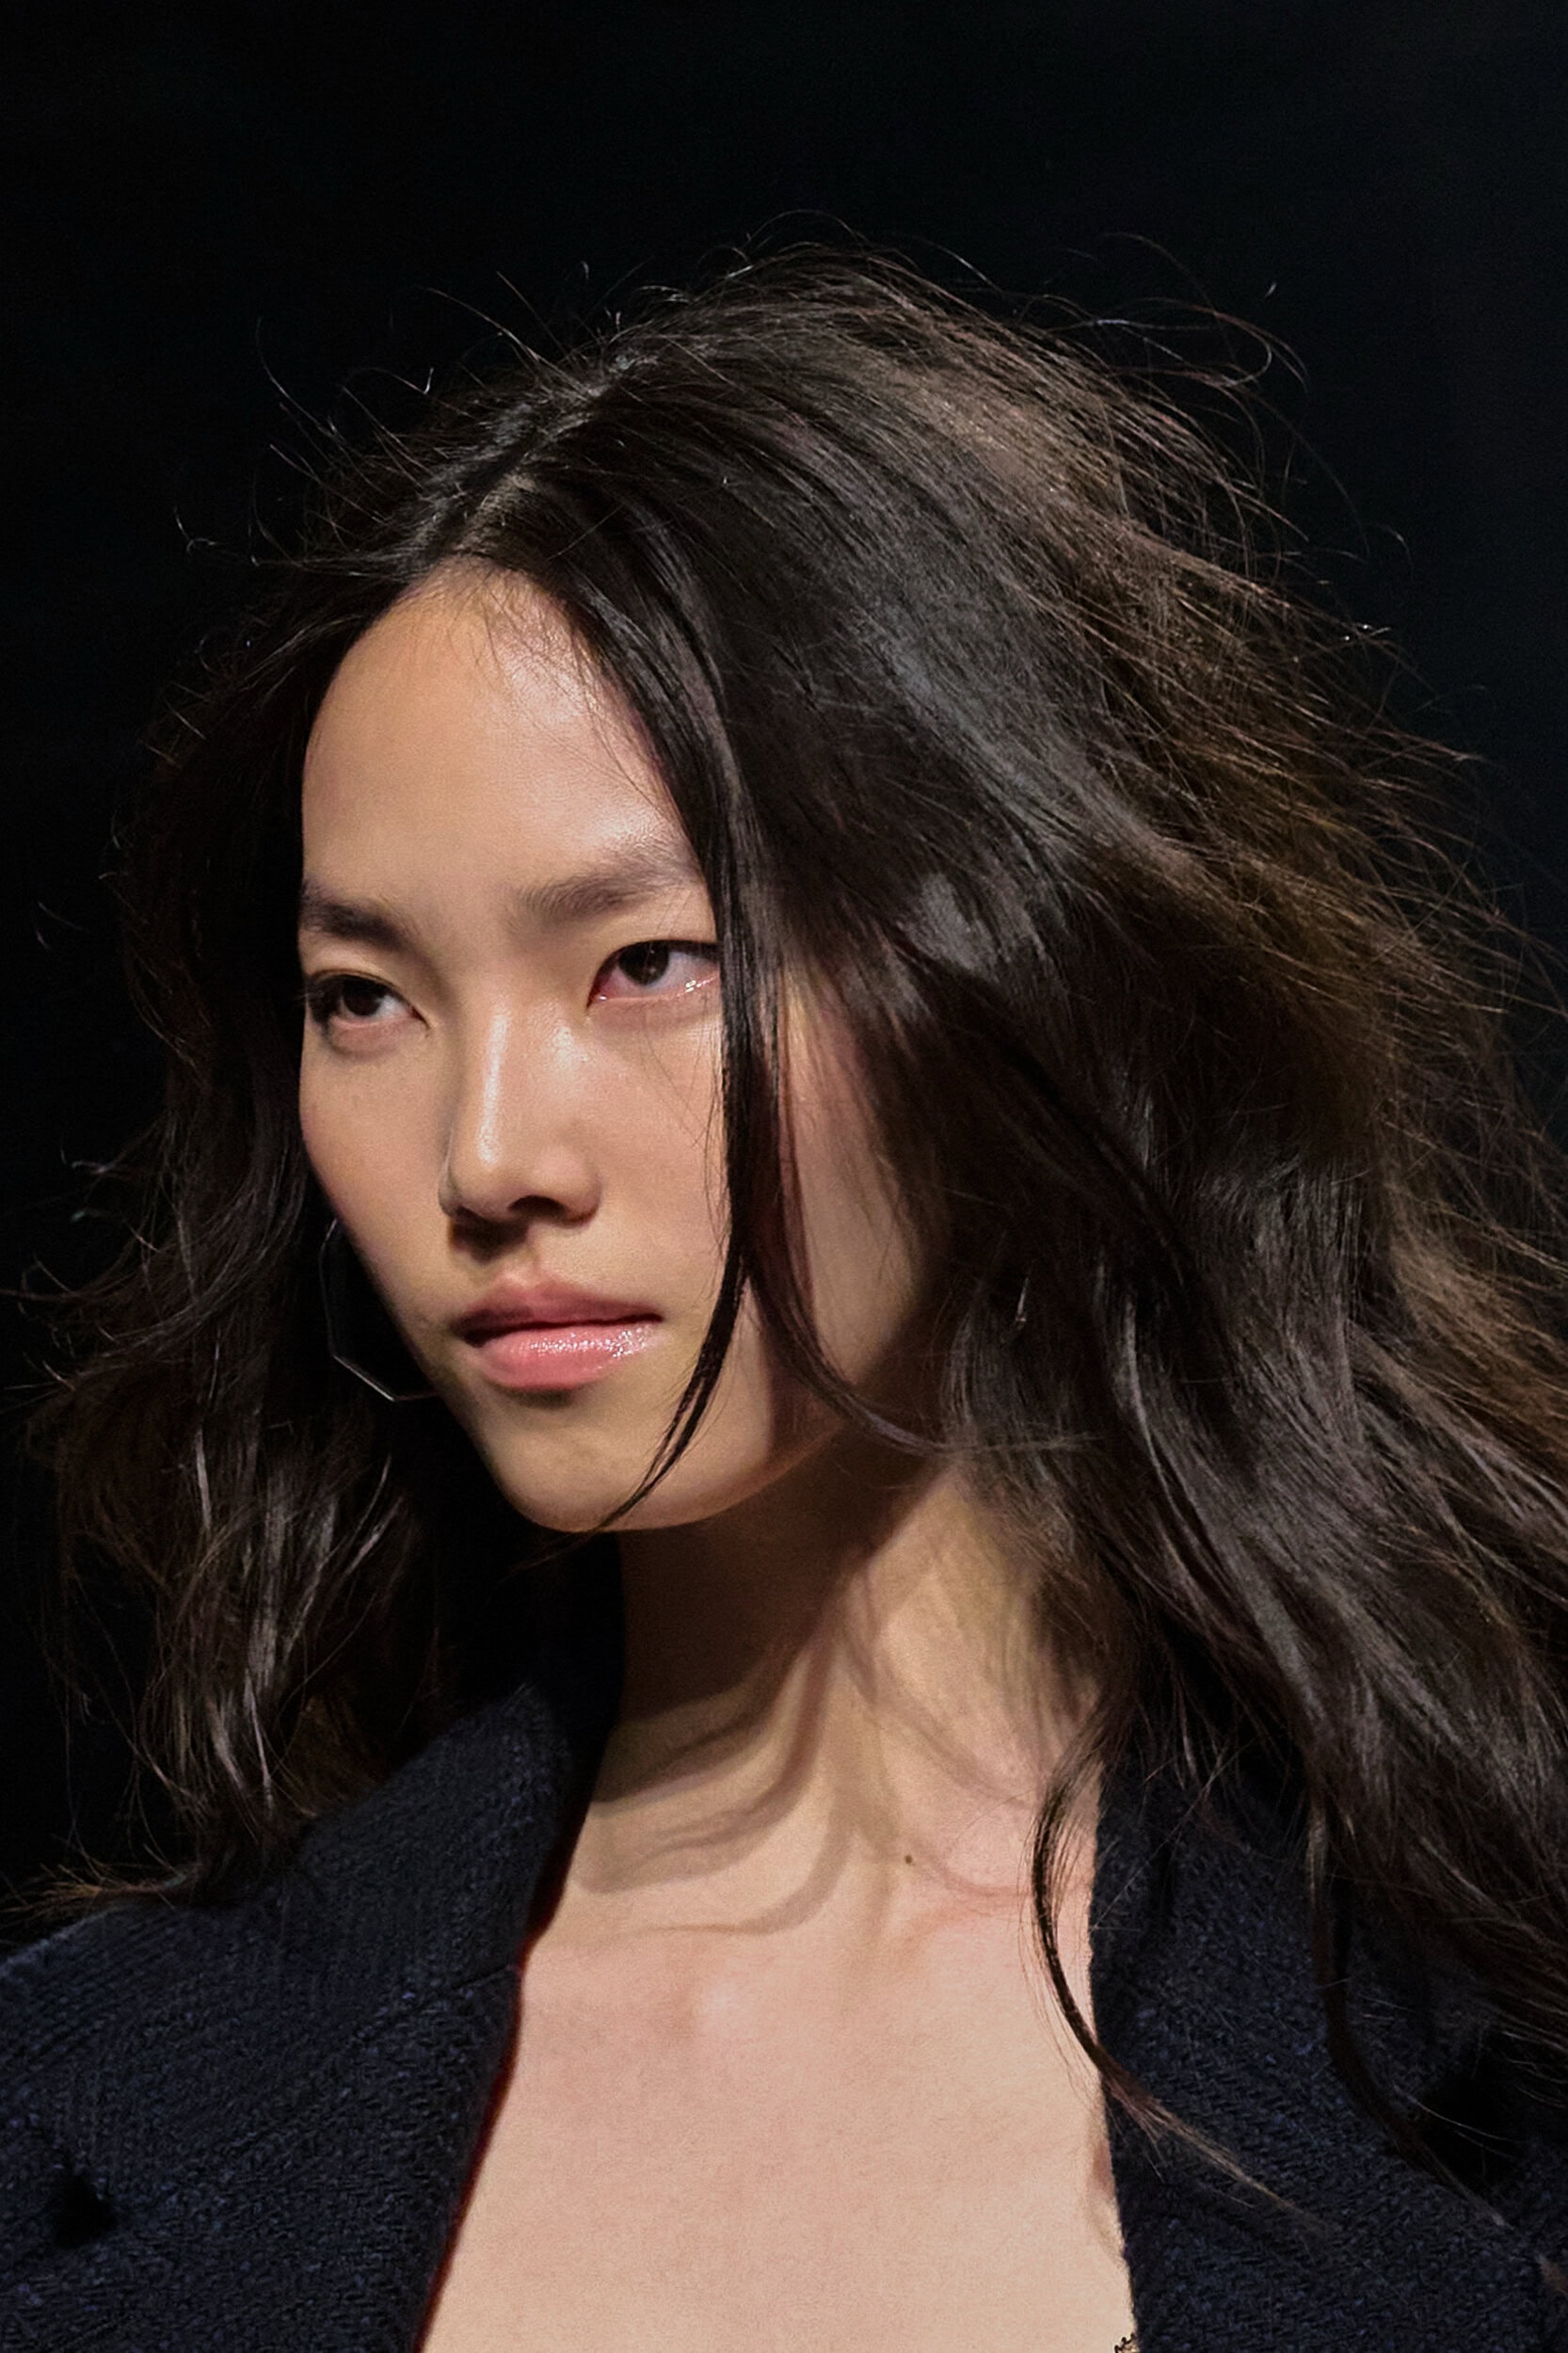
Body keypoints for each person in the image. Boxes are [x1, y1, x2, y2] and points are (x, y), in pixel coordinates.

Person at [4, 249, 1566, 2353]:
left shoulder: (1490, 2004)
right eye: (363, 997)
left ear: (1013, 966)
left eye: (647, 961)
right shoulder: (78, 2109)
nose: (486, 1152)